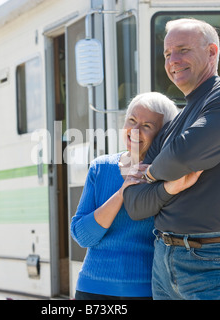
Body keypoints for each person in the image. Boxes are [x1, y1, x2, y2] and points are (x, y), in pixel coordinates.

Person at [124, 18, 220, 300]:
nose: (172, 60)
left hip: (215, 260)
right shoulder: (176, 121)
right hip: (164, 259)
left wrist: (151, 176)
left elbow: (182, 156)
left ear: (212, 52)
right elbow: (135, 204)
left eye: (183, 50)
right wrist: (168, 187)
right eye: (166, 54)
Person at [70, 92, 200, 300]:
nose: (135, 131)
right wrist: (123, 191)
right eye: (132, 120)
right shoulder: (101, 167)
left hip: (147, 290)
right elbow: (82, 236)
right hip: (93, 289)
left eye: (147, 126)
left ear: (163, 133)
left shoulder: (169, 176)